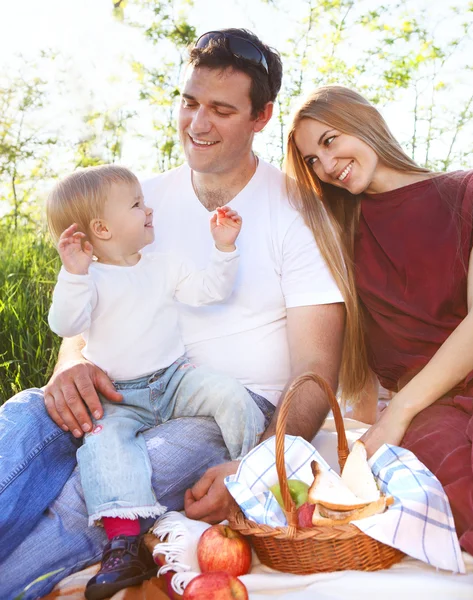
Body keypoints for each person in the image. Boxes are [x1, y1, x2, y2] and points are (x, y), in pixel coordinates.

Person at [0, 30, 348, 599]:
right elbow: (89, 309)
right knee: (21, 422)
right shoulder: (138, 200)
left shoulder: (299, 214)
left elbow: (316, 371)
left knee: (92, 491)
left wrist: (255, 469)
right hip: (123, 388)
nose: (197, 124)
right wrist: (70, 371)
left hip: (222, 406)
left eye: (221, 109)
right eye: (189, 102)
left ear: (261, 117)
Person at [46, 164, 266, 599]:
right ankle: (122, 545)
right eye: (136, 205)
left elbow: (209, 291)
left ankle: (255, 475)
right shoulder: (88, 280)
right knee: (106, 449)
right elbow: (65, 322)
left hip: (173, 378)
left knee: (230, 395)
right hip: (117, 396)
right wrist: (72, 273)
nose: (148, 210)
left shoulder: (164, 266)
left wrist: (224, 249)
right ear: (103, 228)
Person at [286, 84, 473, 560]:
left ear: (363, 119)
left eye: (329, 141)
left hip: (423, 399)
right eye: (311, 160)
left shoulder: (468, 191)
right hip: (433, 409)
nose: (326, 166)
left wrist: (398, 412)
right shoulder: (336, 237)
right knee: (451, 481)